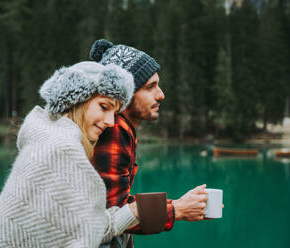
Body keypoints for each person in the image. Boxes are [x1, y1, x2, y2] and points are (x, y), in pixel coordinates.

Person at [0, 61, 141, 248]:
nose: (110, 121)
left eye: (115, 113)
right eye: (104, 107)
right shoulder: (62, 150)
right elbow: (83, 237)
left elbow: (81, 227)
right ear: (78, 100)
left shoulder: (46, 139)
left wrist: (133, 212)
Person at [89, 39, 208, 247]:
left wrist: (178, 204)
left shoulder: (121, 127)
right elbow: (114, 217)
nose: (161, 95)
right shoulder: (113, 129)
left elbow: (122, 205)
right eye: (150, 87)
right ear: (124, 93)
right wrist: (177, 210)